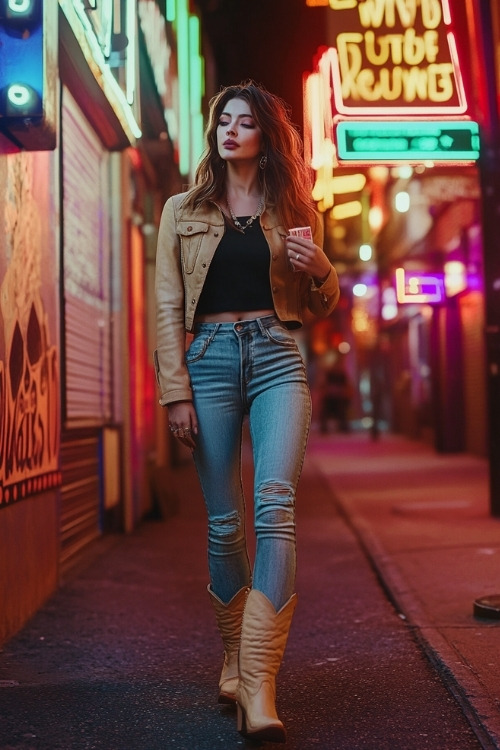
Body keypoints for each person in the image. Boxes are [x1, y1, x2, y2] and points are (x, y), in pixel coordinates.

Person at [154, 81, 340, 743]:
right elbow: (168, 307)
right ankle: (233, 659)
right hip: (206, 362)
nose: (231, 130)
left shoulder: (292, 205)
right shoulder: (182, 209)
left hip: (276, 356)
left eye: (245, 122)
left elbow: (320, 306)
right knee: (226, 523)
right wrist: (174, 392)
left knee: (274, 503)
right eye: (223, 121)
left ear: (265, 136)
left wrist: (322, 267)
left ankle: (259, 682)